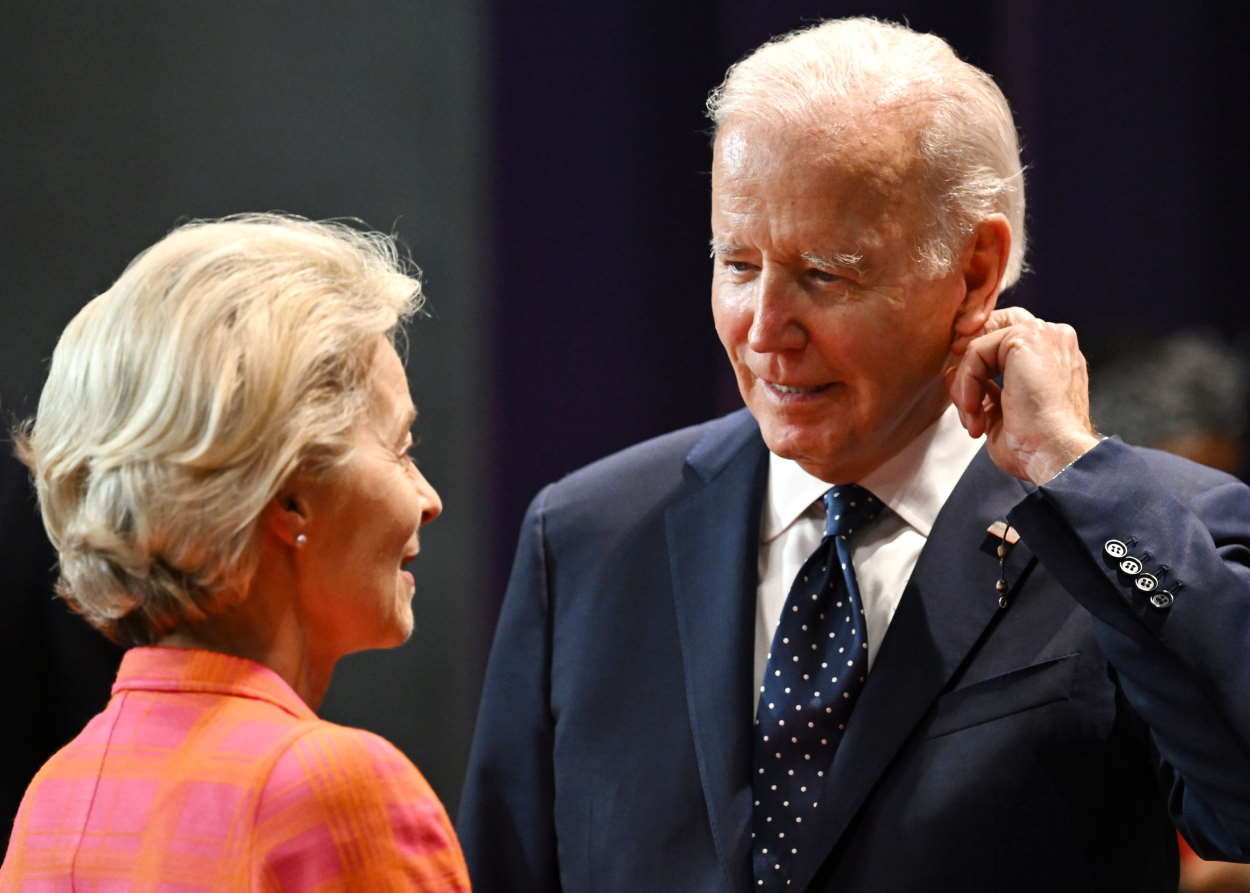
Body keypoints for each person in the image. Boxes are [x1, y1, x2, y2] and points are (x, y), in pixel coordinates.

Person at [458, 18, 1250, 893]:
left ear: (974, 269)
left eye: (825, 275)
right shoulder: (583, 537)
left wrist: (1072, 470)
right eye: (738, 263)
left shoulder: (1146, 531)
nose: (764, 332)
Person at [1, 214, 471, 891]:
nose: (427, 498)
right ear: (288, 496)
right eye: (400, 447)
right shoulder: (337, 791)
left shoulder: (57, 794)